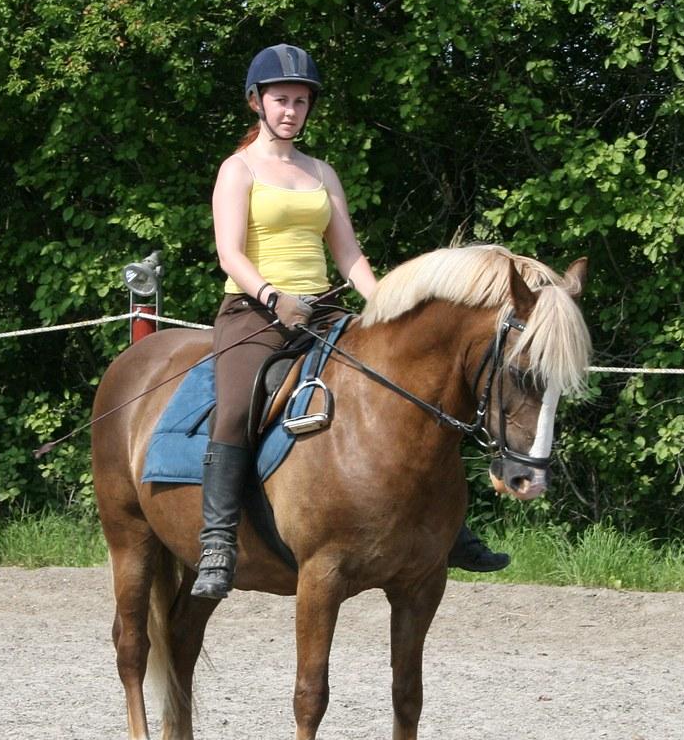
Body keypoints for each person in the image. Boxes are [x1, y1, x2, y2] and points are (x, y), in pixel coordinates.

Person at [191, 44, 508, 600]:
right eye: (280, 99)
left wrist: (388, 306)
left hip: (322, 309)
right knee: (238, 405)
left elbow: (351, 256)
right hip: (253, 311)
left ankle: (449, 527)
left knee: (412, 389)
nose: (291, 110)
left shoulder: (319, 172)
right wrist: (271, 295)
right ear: (256, 103)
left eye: (300, 101)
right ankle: (217, 540)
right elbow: (228, 254)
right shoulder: (236, 169)